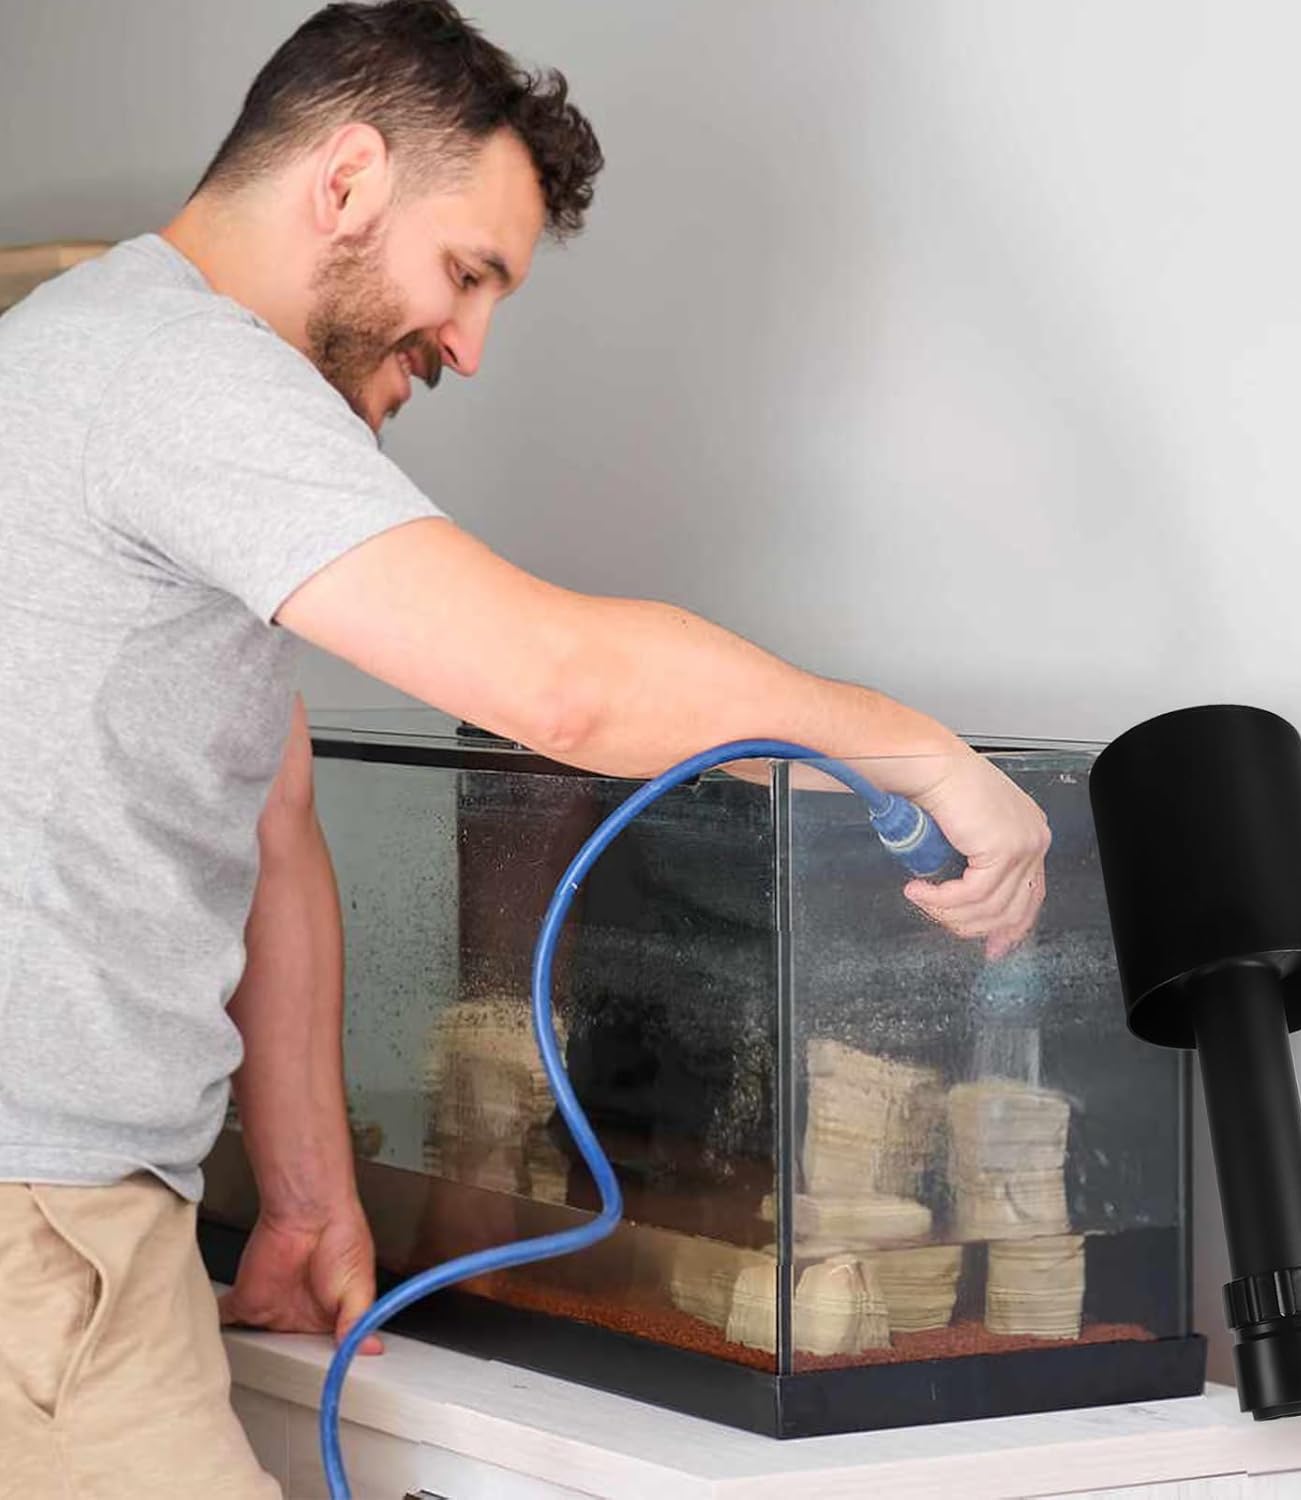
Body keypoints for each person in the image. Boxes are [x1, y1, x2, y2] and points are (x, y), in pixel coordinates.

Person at [0, 2, 1050, 1492]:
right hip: (43, 1233)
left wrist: (306, 1195)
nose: (471, 348)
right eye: (468, 273)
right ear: (347, 180)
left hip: (77, 1218)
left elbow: (272, 813)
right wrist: (919, 756)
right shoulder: (183, 372)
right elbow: (560, 690)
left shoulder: (78, 346)